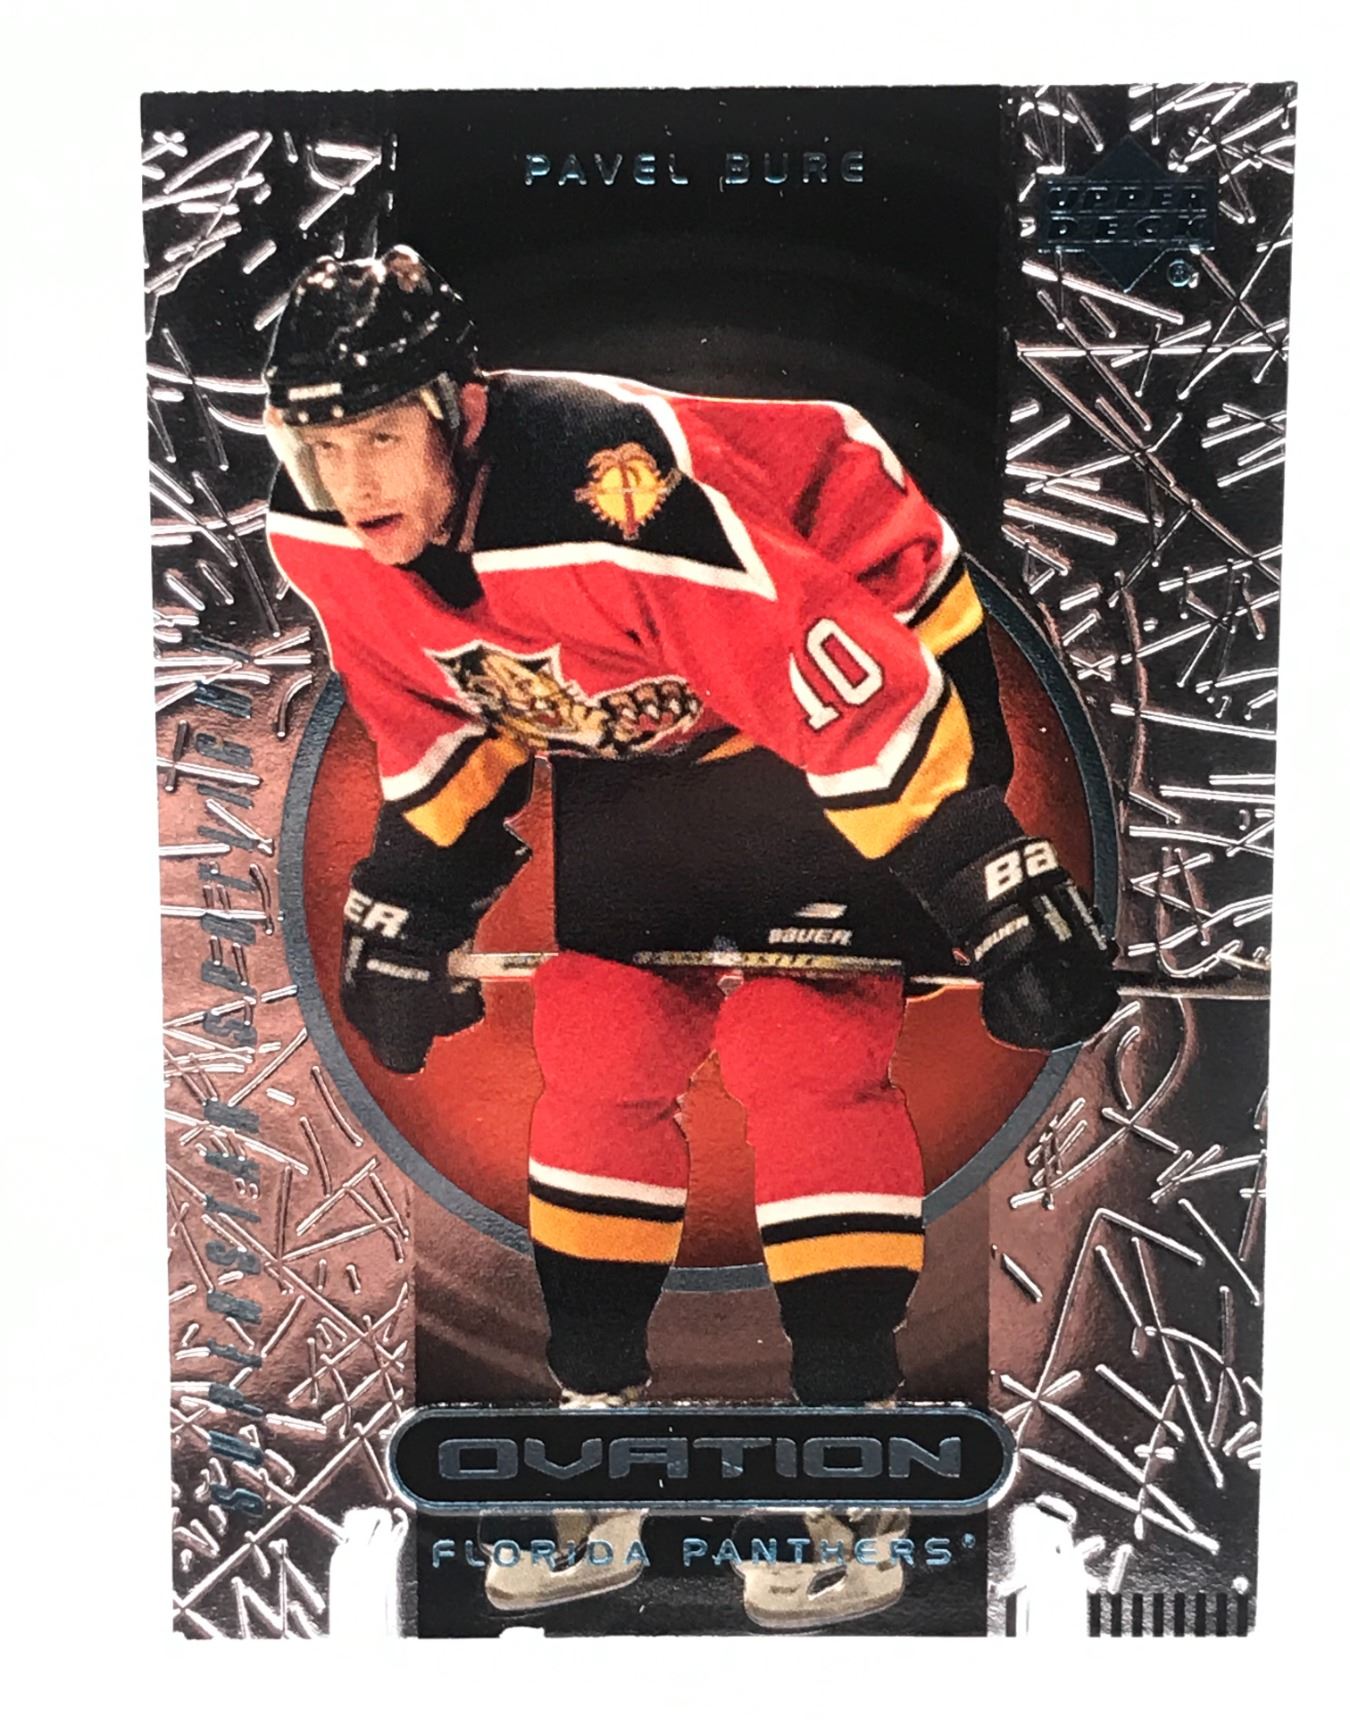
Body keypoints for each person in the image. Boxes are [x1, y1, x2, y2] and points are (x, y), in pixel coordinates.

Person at [263, 246, 1117, 1628]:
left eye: (377, 440)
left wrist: (990, 882)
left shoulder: (608, 490)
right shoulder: (319, 528)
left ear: (453, 410)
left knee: (799, 1043)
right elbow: (444, 713)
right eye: (318, 445)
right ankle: (594, 1456)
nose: (348, 482)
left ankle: (851, 1479)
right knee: (602, 1033)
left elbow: (830, 676)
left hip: (861, 628)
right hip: (654, 709)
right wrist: (414, 893)